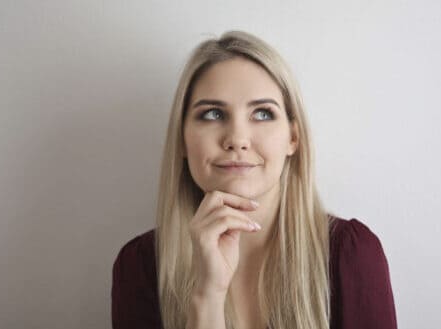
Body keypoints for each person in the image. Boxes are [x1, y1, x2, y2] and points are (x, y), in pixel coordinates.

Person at [111, 30, 397, 329]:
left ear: (293, 138)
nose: (237, 139)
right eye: (212, 114)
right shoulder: (139, 266)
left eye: (262, 114)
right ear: (181, 140)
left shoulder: (351, 254)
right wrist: (207, 296)